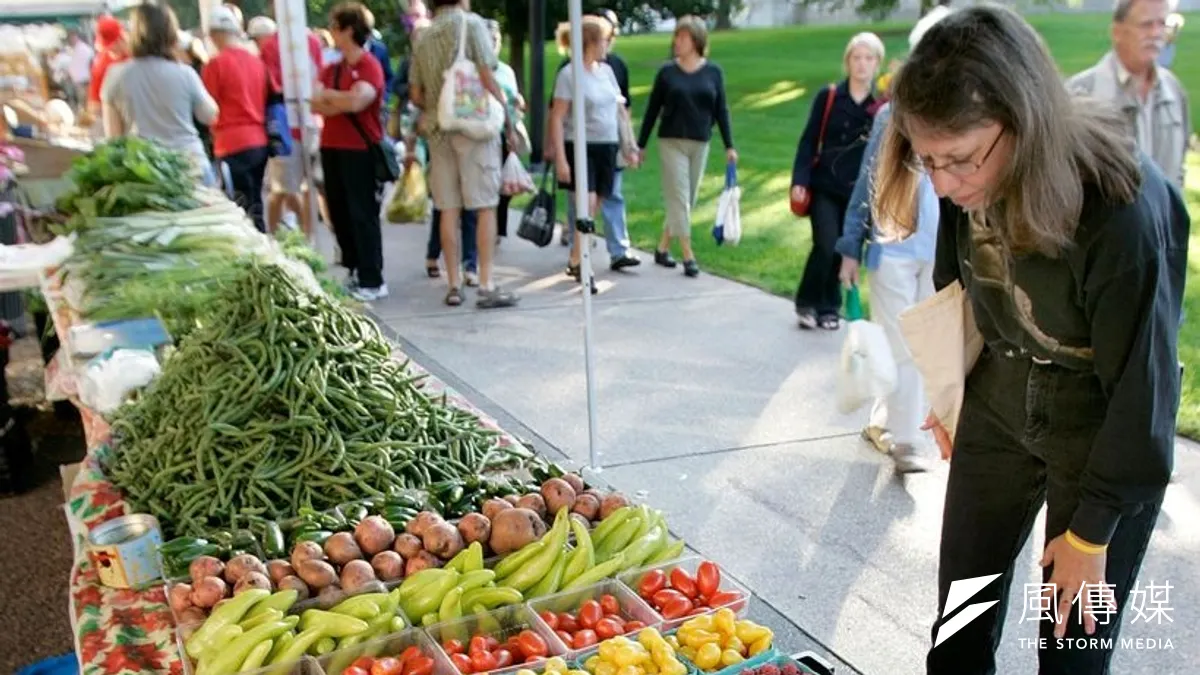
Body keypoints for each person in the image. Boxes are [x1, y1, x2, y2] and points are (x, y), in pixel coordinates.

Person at [872, 6, 1188, 672]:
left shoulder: (1122, 208)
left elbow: (1144, 390)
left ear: (1023, 123)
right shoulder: (965, 180)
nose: (944, 186)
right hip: (1000, 397)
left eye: (959, 161)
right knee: (959, 625)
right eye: (927, 161)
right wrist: (951, 390)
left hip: (1102, 424)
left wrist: (1092, 531)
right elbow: (955, 283)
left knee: (1070, 651)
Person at [836, 13, 949, 473]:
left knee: (921, 348)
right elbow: (868, 179)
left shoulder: (962, 112)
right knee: (904, 347)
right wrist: (850, 246)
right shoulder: (892, 115)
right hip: (894, 248)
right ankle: (905, 442)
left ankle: (883, 420)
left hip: (937, 252)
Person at [409, 0, 517, 309]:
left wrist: (439, 102)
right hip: (474, 127)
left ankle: (453, 284)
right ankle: (486, 282)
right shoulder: (473, 25)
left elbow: (415, 93)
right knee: (484, 206)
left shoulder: (424, 37)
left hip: (438, 128)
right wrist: (506, 113)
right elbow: (486, 72)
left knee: (448, 208)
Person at [789, 32, 884, 331]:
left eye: (868, 58)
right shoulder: (829, 97)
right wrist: (799, 180)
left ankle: (830, 307)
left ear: (877, 64)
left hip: (856, 192)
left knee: (843, 248)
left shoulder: (879, 108)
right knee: (826, 243)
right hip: (824, 186)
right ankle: (807, 301)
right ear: (847, 62)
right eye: (856, 58)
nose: (862, 64)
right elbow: (807, 142)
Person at [636, 16, 736, 278]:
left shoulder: (714, 72)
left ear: (696, 41)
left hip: (700, 142)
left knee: (685, 200)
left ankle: (662, 248)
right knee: (680, 197)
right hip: (671, 141)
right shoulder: (667, 73)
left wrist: (729, 145)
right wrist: (641, 144)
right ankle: (688, 255)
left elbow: (721, 109)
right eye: (676, 37)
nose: (676, 42)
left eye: (682, 37)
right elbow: (652, 109)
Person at [550, 17, 636, 294]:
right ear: (587, 43)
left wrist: (630, 145)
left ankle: (575, 258)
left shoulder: (607, 72)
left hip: (607, 147)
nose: (606, 45)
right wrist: (561, 159)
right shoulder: (569, 75)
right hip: (581, 147)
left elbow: (620, 110)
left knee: (595, 204)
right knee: (585, 208)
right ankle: (585, 270)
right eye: (601, 40)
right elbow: (557, 117)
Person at [1066, 0, 1190, 190]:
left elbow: (1179, 171)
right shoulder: (1082, 92)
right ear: (1117, 31)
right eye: (1146, 24)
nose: (1156, 34)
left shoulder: (1174, 91)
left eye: (1162, 24)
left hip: (1166, 219)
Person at [311, 1, 388, 301]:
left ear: (349, 30)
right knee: (339, 214)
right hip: (332, 147)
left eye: (335, 27)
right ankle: (355, 269)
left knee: (362, 213)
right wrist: (337, 99)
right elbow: (315, 102)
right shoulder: (332, 68)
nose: (331, 32)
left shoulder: (369, 65)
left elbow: (359, 102)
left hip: (359, 150)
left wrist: (331, 98)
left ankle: (373, 278)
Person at [101, 3, 219, 186]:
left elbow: (114, 139)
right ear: (171, 34)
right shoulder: (184, 73)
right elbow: (209, 115)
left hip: (144, 174)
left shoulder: (115, 75)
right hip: (191, 167)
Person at [251, 14, 325, 238]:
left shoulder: (273, 45)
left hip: (284, 128)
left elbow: (268, 86)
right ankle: (308, 240)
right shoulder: (311, 40)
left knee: (282, 190)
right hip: (312, 121)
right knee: (307, 189)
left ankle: (275, 239)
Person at [201, 6, 269, 233]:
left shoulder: (215, 64)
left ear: (215, 34)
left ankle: (260, 255)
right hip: (259, 140)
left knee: (241, 209)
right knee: (255, 202)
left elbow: (208, 108)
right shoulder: (256, 62)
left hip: (230, 142)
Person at [86, 17, 127, 126]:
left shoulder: (137, 57)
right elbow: (94, 104)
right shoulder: (101, 65)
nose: (112, 48)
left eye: (115, 42)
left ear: (122, 37)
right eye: (108, 45)